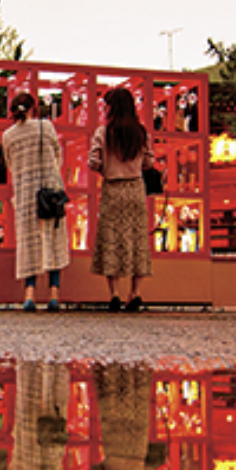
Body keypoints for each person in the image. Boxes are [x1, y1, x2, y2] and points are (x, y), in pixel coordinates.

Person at [0, 91, 70, 310]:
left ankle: (29, 294)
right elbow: (58, 156)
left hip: (24, 192)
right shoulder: (45, 127)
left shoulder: (8, 136)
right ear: (33, 108)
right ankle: (54, 295)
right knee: (53, 239)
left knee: (28, 241)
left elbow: (10, 164)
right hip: (50, 190)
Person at [88, 85, 154, 312]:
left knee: (112, 240)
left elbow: (93, 162)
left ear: (112, 107)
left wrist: (105, 165)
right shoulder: (141, 133)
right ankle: (135, 293)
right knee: (136, 241)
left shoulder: (103, 132)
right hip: (135, 188)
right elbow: (149, 163)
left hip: (113, 189)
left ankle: (114, 294)